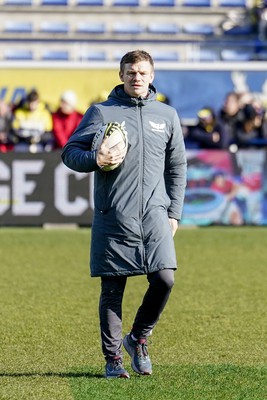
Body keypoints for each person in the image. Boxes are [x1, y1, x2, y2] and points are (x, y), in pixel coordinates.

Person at [61, 49, 187, 379]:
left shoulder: (167, 116)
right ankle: (113, 358)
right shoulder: (102, 113)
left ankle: (138, 338)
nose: (137, 77)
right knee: (113, 289)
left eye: (143, 72)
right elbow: (70, 153)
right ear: (121, 76)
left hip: (155, 215)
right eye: (130, 72)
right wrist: (94, 159)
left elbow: (177, 166)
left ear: (151, 76)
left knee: (165, 278)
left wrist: (174, 210)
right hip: (114, 214)